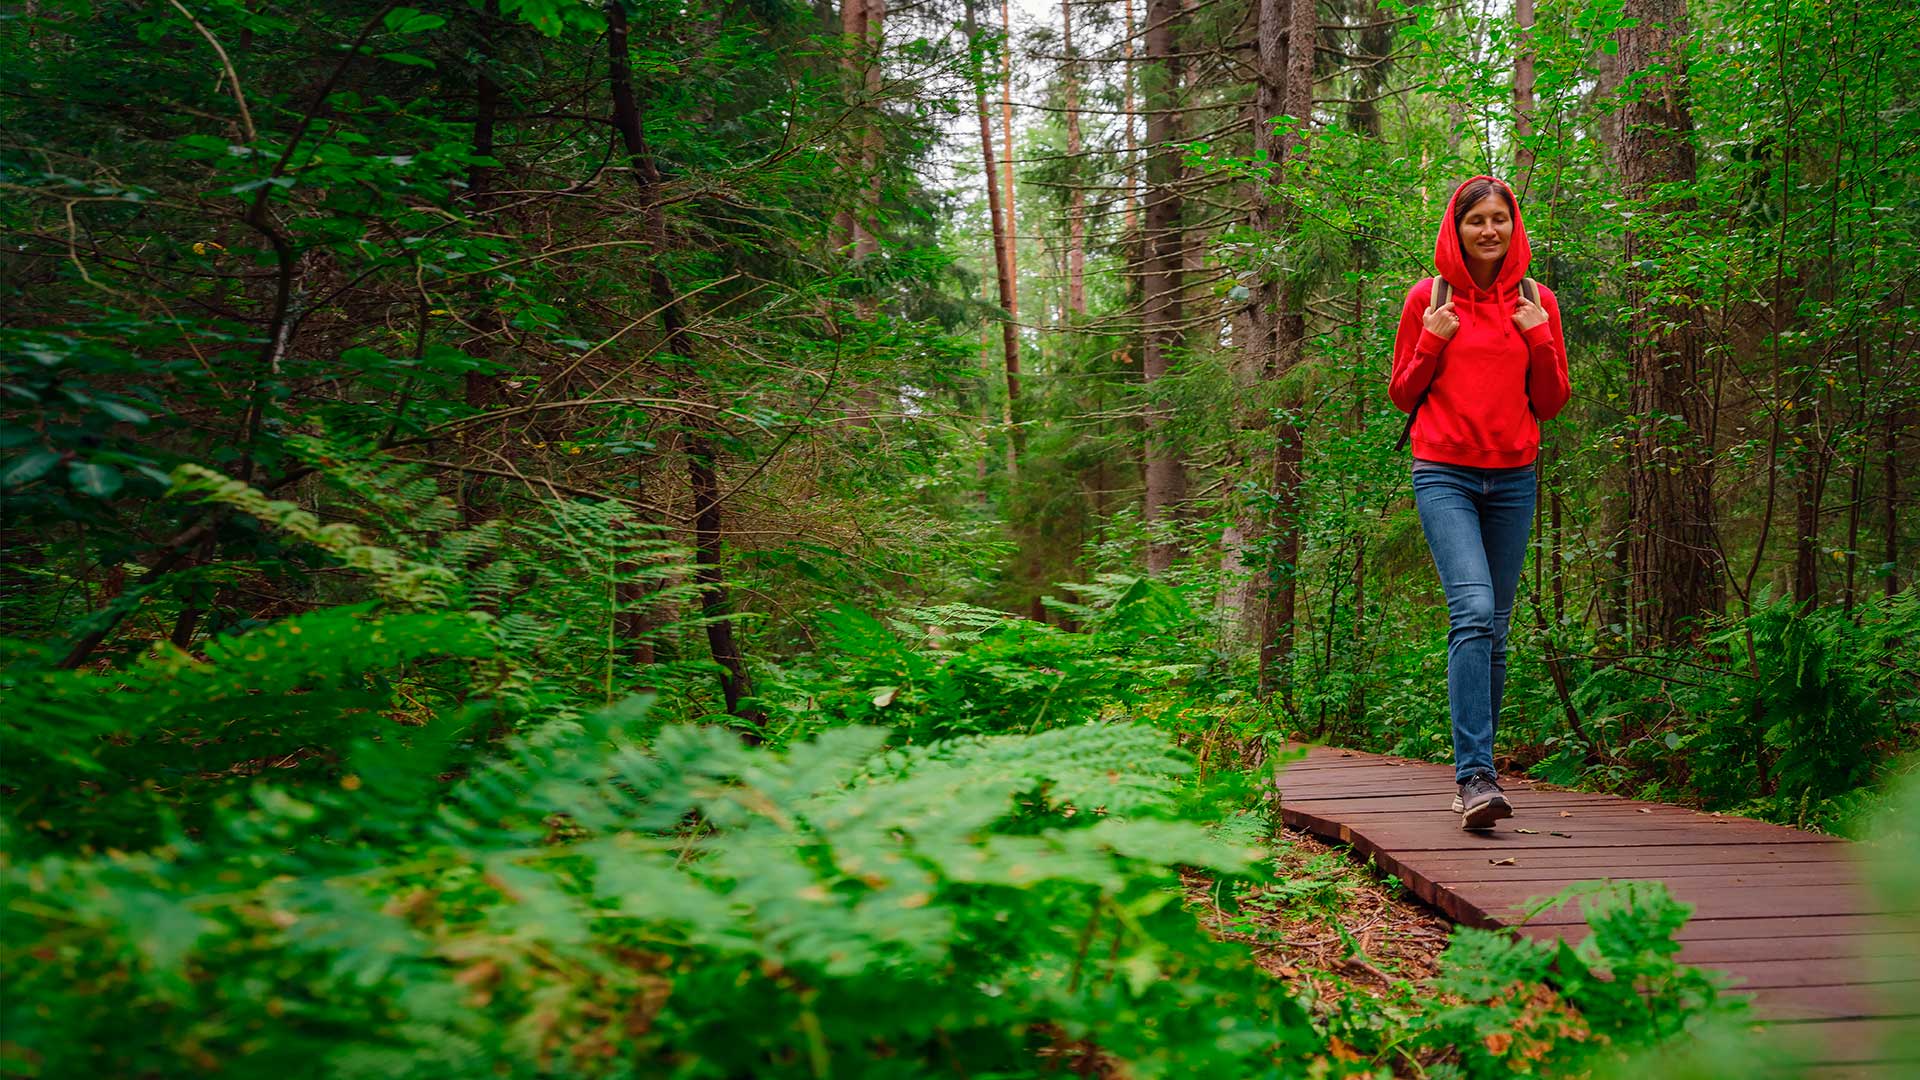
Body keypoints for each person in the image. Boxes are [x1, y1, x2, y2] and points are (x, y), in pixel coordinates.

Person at [1388, 175, 1572, 831]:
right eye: (1476, 221)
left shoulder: (1536, 300)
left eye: (1499, 219)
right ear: (1456, 228)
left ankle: (1483, 772)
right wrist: (1433, 337)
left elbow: (1550, 402)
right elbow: (1403, 392)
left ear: (1512, 225)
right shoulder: (1426, 299)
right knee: (1471, 610)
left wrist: (1539, 336)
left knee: (1495, 627)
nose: (1488, 231)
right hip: (1445, 474)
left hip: (1514, 478)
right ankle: (1474, 777)